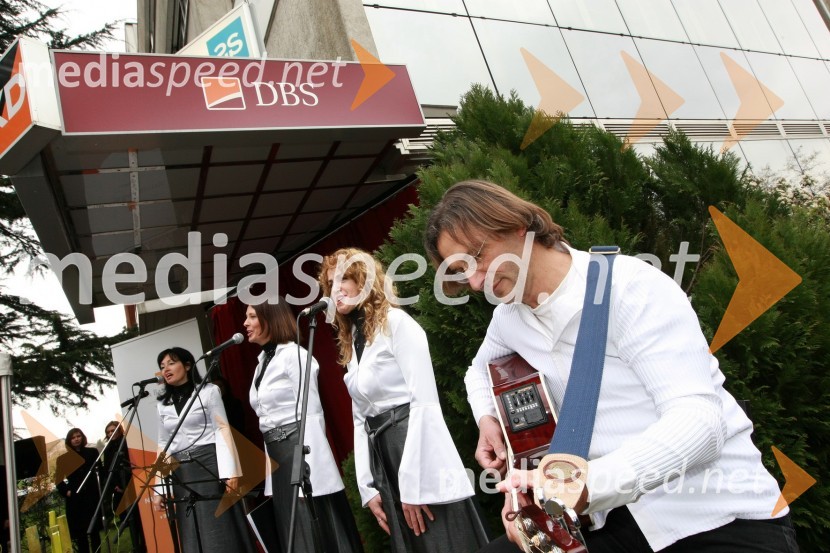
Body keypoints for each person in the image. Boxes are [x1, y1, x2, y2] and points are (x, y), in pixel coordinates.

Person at [424, 179, 798, 553]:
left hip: (714, 516)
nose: (474, 281)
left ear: (518, 226)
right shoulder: (509, 318)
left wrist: (586, 486)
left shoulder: (631, 286)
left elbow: (701, 422)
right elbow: (477, 371)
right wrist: (488, 420)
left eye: (477, 255)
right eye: (461, 271)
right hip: (612, 520)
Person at [318, 248, 488, 553]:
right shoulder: (355, 343)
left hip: (415, 447)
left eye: (343, 278)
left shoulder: (396, 323)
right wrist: (367, 487)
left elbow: (424, 403)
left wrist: (413, 482)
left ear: (365, 280)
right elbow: (360, 420)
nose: (335, 290)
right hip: (384, 456)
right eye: (330, 284)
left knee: (442, 540)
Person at [244, 298, 363, 553]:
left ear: (271, 318)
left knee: (312, 526)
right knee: (291, 530)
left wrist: (311, 466)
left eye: (252, 316)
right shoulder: (261, 363)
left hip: (299, 449)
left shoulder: (294, 355)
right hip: (276, 458)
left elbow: (312, 412)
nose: (246, 323)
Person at [152, 347, 254, 553]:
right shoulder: (163, 404)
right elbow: (165, 443)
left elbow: (222, 429)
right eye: (162, 366)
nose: (166, 369)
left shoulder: (208, 392)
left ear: (188, 365)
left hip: (209, 465)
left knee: (219, 526)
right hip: (183, 473)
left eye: (171, 363)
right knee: (191, 526)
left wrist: (230, 472)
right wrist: (160, 488)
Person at [55, 428, 103, 553]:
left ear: (82, 437)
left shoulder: (92, 452)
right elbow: (58, 480)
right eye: (73, 437)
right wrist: (67, 492)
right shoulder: (63, 459)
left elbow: (101, 471)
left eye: (78, 436)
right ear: (69, 440)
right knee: (81, 535)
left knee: (94, 532)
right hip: (76, 499)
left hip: (92, 497)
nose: (76, 439)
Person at [103, 421, 146, 552]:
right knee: (128, 519)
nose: (111, 433)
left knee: (139, 519)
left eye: (113, 430)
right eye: (108, 432)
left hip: (133, 485)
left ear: (119, 430)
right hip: (119, 490)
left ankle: (144, 545)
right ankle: (135, 545)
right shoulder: (108, 449)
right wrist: (116, 486)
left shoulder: (127, 443)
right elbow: (107, 470)